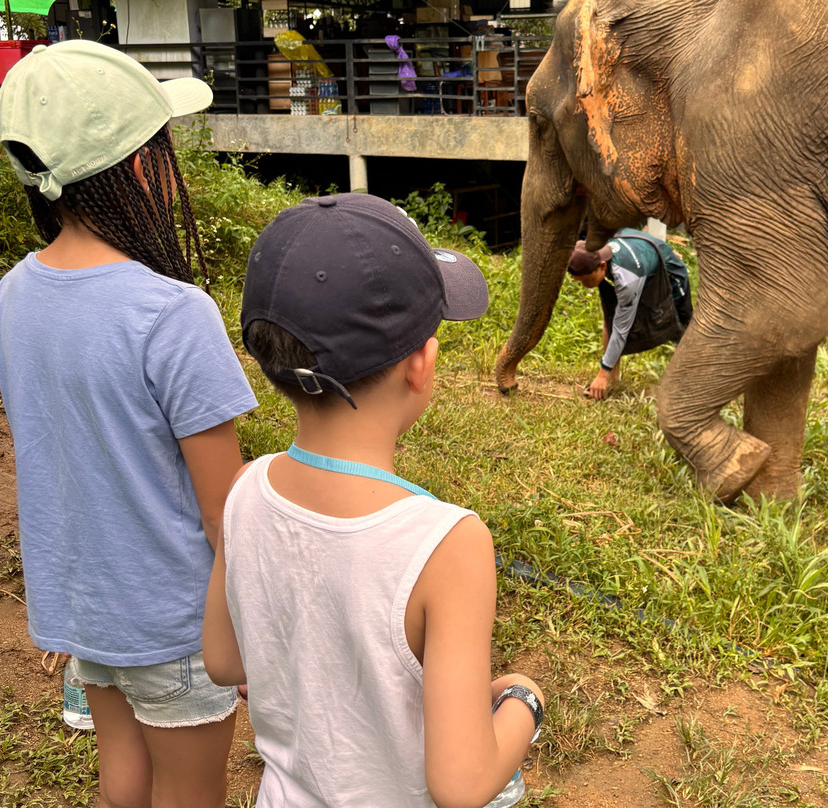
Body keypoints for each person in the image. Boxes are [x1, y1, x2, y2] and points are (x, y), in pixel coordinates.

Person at [202, 193, 546, 808]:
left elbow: (225, 663)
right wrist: (524, 699)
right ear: (422, 365)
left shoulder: (244, 486)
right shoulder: (448, 543)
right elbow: (462, 783)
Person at [0, 41, 257, 808]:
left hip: (85, 611)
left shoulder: (11, 295)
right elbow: (224, 511)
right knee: (190, 792)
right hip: (174, 618)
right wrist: (257, 626)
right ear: (142, 168)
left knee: (124, 776)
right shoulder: (173, 313)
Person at [568, 227, 693, 400]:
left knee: (682, 327)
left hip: (670, 274)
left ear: (602, 265)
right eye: (580, 282)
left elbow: (621, 329)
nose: (585, 285)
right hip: (644, 266)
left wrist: (601, 373)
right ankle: (612, 380)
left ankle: (692, 383)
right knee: (610, 316)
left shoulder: (627, 279)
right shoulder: (599, 246)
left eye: (588, 280)